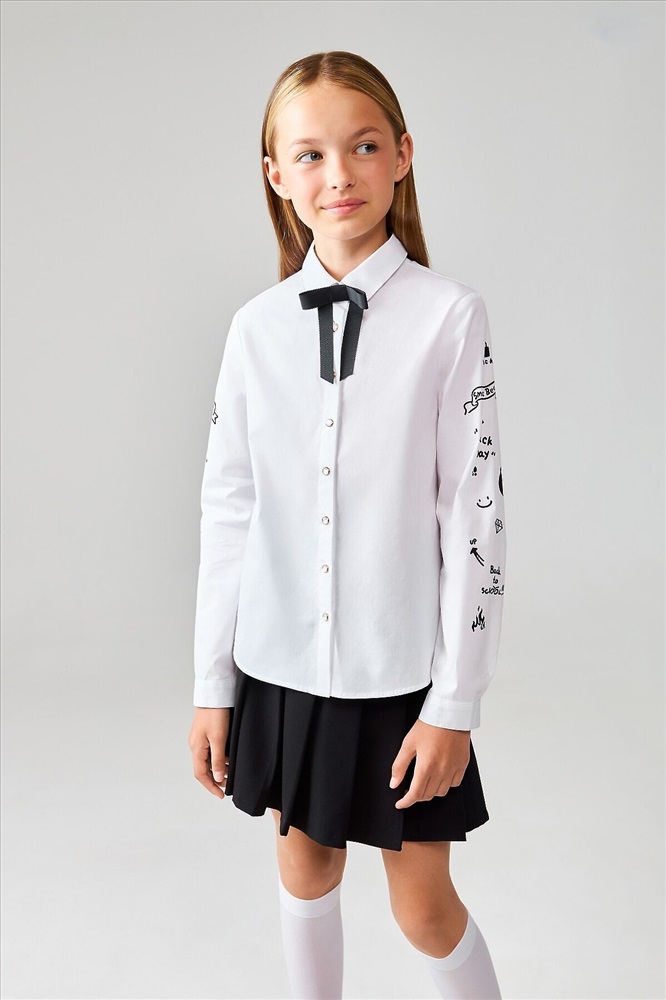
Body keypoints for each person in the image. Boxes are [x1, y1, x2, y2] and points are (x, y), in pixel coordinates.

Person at [188, 50, 507, 1000]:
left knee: (423, 908)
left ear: (402, 155)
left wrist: (454, 704)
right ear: (276, 176)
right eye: (311, 155)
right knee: (304, 872)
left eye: (364, 147)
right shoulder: (255, 329)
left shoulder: (450, 318)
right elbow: (229, 505)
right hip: (281, 664)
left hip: (401, 671)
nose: (340, 174)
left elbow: (475, 515)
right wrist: (213, 684)